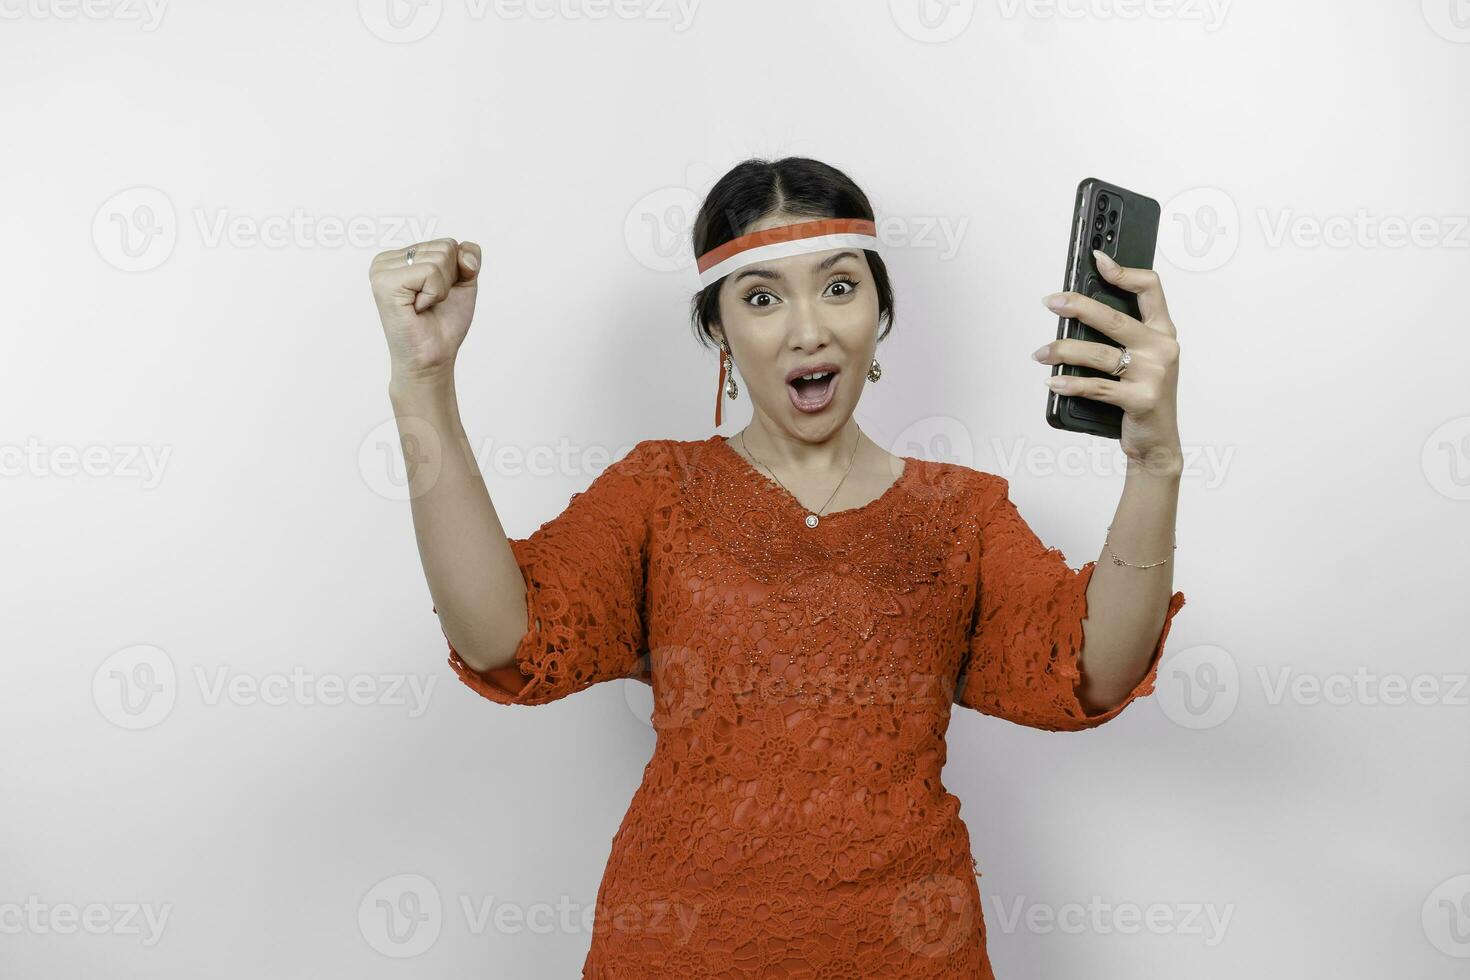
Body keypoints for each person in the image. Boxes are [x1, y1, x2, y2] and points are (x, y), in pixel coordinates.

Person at [367, 156, 1187, 978]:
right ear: (718, 330)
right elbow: (501, 639)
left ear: (880, 311)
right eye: (762, 297)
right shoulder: (660, 491)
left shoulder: (961, 514)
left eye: (838, 287)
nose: (808, 329)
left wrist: (1154, 463)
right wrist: (424, 382)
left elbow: (1093, 671)